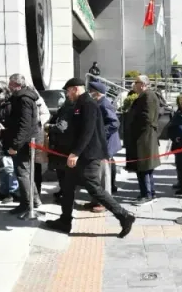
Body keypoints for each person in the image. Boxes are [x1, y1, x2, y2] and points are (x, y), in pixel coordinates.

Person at [45, 78, 135, 238]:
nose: (67, 94)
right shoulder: (80, 104)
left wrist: (75, 153)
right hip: (79, 155)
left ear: (74, 89)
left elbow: (87, 131)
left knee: (94, 188)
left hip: (88, 156)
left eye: (68, 91)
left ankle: (124, 216)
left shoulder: (88, 104)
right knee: (67, 186)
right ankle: (65, 220)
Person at [0, 74, 42, 220]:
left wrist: (16, 145)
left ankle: (27, 203)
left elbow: (25, 125)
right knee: (26, 172)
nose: (9, 87)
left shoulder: (23, 99)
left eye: (11, 84)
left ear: (17, 85)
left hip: (24, 143)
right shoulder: (23, 97)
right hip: (25, 141)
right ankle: (34, 201)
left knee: (22, 172)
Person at [124, 75, 161, 205]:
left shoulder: (148, 96)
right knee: (145, 168)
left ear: (143, 84)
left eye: (136, 82)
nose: (134, 84)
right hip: (143, 138)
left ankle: (147, 195)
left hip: (144, 139)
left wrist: (134, 128)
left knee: (144, 167)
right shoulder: (145, 96)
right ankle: (149, 193)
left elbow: (148, 118)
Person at [87, 81, 121, 212]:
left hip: (105, 144)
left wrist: (100, 134)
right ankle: (96, 199)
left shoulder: (104, 103)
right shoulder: (99, 102)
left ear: (96, 92)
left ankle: (104, 203)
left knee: (103, 175)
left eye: (91, 90)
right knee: (97, 174)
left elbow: (114, 123)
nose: (89, 92)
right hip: (101, 144)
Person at [0, 82, 18, 203]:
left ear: (6, 91)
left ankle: (13, 192)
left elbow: (13, 122)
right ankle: (4, 190)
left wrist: (3, 128)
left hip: (8, 138)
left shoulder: (10, 104)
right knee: (1, 166)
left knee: (9, 167)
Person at [45, 97, 75, 202]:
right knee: (61, 172)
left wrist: (49, 127)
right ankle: (63, 191)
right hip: (61, 145)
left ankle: (66, 194)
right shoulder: (66, 108)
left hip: (63, 146)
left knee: (64, 172)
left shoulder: (68, 109)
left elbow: (61, 127)